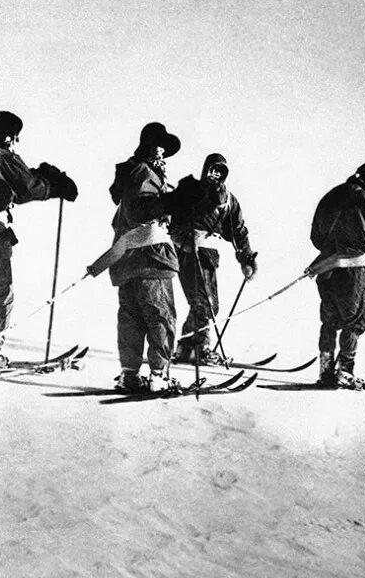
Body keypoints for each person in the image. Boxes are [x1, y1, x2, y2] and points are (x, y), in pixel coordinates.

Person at [0, 111, 77, 369]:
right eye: (15, 137)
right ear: (8, 135)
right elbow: (23, 187)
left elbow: (15, 179)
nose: (16, 142)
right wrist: (52, 185)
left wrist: (38, 176)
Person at [107, 122, 197, 392]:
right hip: (151, 258)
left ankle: (129, 374)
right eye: (159, 147)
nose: (162, 154)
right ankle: (159, 376)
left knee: (132, 318)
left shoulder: (134, 173)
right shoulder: (145, 172)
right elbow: (144, 209)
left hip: (127, 260)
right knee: (160, 316)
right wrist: (178, 198)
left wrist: (177, 201)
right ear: (149, 147)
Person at [309, 161, 365, 389]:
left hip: (326, 268)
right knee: (354, 320)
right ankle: (345, 372)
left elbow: (315, 236)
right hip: (352, 270)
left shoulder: (333, 195)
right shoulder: (362, 197)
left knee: (329, 321)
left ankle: (326, 371)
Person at [170, 153, 258, 365]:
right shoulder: (190, 192)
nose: (215, 174)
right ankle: (203, 347)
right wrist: (182, 232)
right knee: (204, 303)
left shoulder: (227, 200)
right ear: (205, 169)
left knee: (207, 304)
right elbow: (170, 215)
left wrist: (246, 258)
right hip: (187, 252)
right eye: (212, 169)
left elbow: (237, 230)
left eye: (220, 171)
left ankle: (185, 346)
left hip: (209, 255)